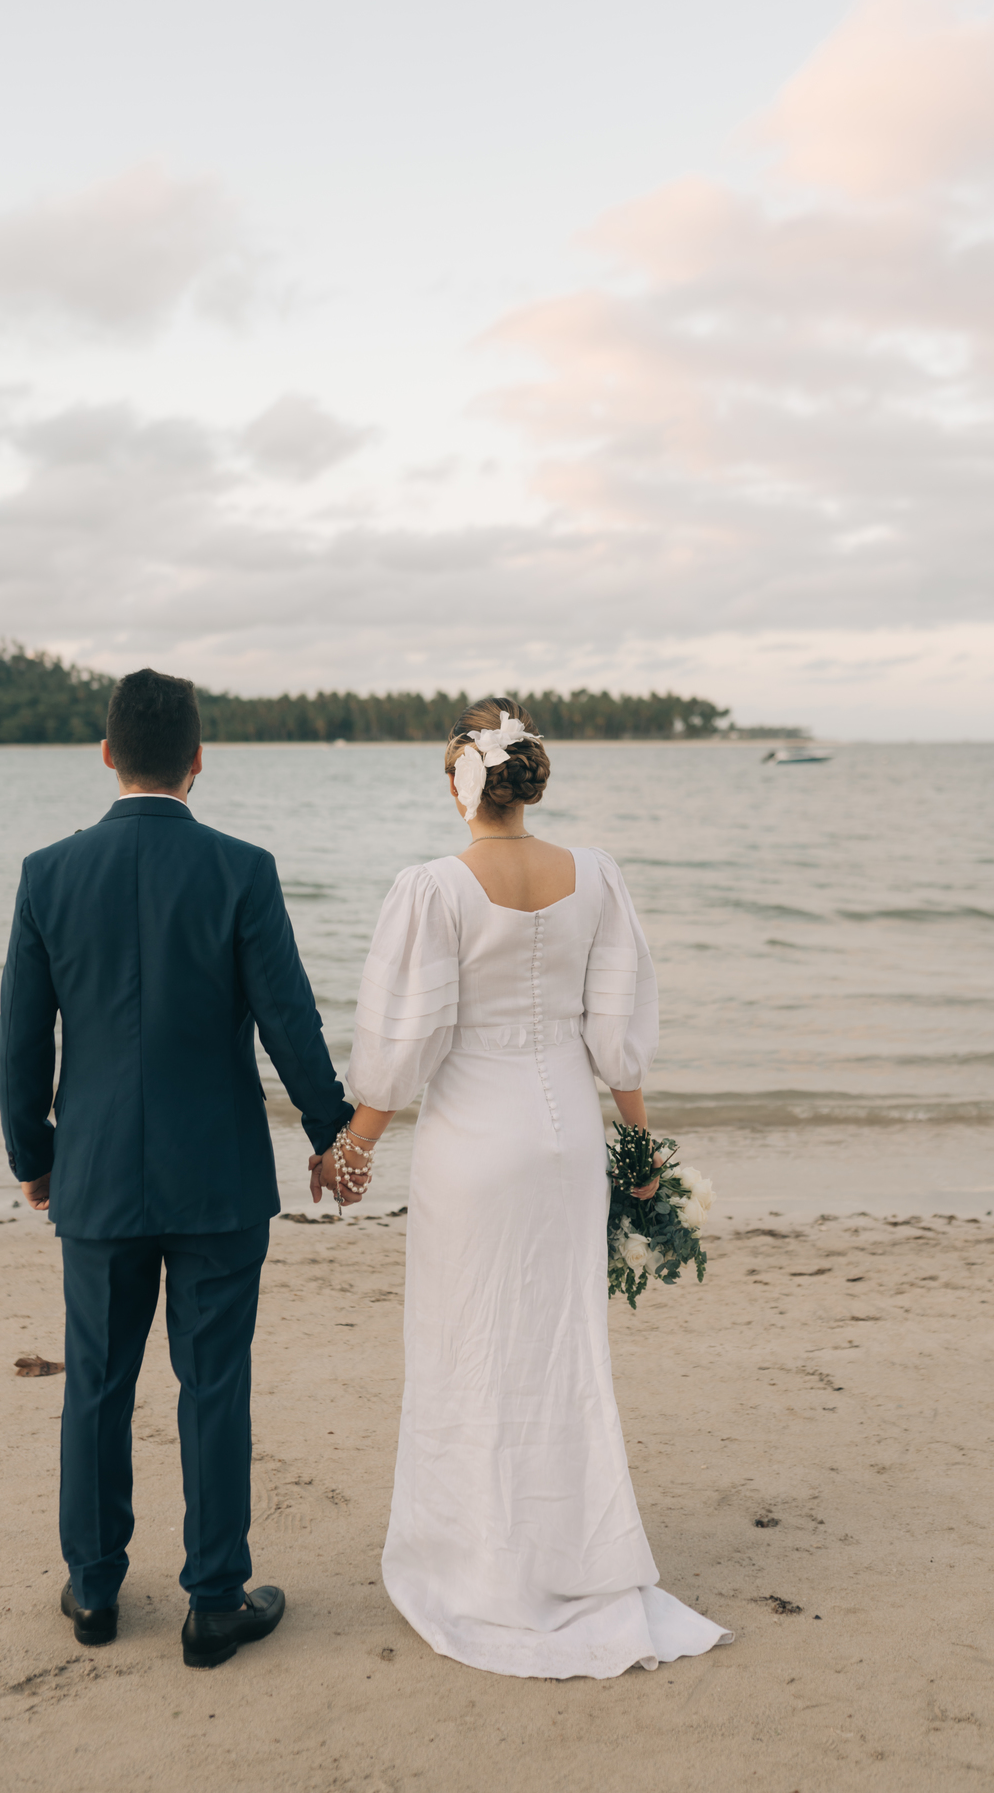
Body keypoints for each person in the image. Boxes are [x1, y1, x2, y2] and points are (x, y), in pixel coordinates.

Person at [320, 697, 732, 1679]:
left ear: (461, 782)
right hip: (566, 1144)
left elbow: (406, 1039)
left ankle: (483, 1566)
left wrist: (356, 1144)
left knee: (469, 1346)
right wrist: (642, 1147)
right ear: (528, 778)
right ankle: (578, 1557)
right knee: (562, 1348)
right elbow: (616, 1027)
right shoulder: (597, 875)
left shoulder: (433, 887)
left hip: (475, 1146)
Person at [0, 668, 355, 1669]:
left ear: (108, 753)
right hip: (218, 1177)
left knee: (98, 1386)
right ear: (200, 759)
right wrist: (330, 1129)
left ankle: (97, 1588)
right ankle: (214, 1599)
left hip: (99, 1176)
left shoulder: (47, 873)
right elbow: (289, 1017)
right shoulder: (242, 868)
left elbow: (22, 1039)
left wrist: (34, 1154)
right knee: (215, 1385)